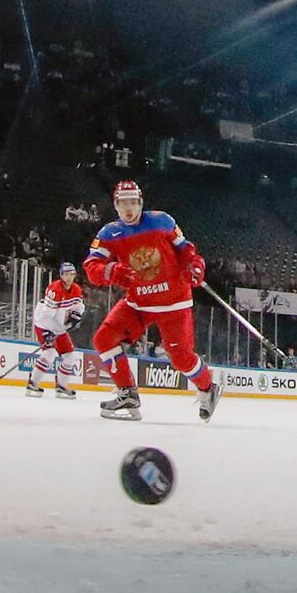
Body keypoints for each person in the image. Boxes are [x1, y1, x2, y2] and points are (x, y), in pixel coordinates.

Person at [83, 180, 220, 422]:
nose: (128, 208)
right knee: (104, 339)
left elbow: (186, 250)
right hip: (138, 304)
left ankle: (208, 388)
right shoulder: (108, 234)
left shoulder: (161, 221)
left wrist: (195, 265)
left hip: (173, 303)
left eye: (132, 202)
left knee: (181, 358)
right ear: (115, 206)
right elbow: (92, 266)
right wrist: (111, 271)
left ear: (140, 203)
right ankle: (127, 393)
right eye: (123, 203)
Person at [25, 262, 84, 399]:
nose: (68, 277)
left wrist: (76, 316)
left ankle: (61, 387)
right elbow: (46, 315)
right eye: (66, 274)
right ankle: (33, 384)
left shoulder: (76, 289)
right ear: (61, 275)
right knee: (50, 353)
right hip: (44, 323)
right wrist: (49, 333)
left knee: (70, 356)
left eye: (71, 274)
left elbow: (79, 307)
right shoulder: (54, 289)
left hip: (59, 326)